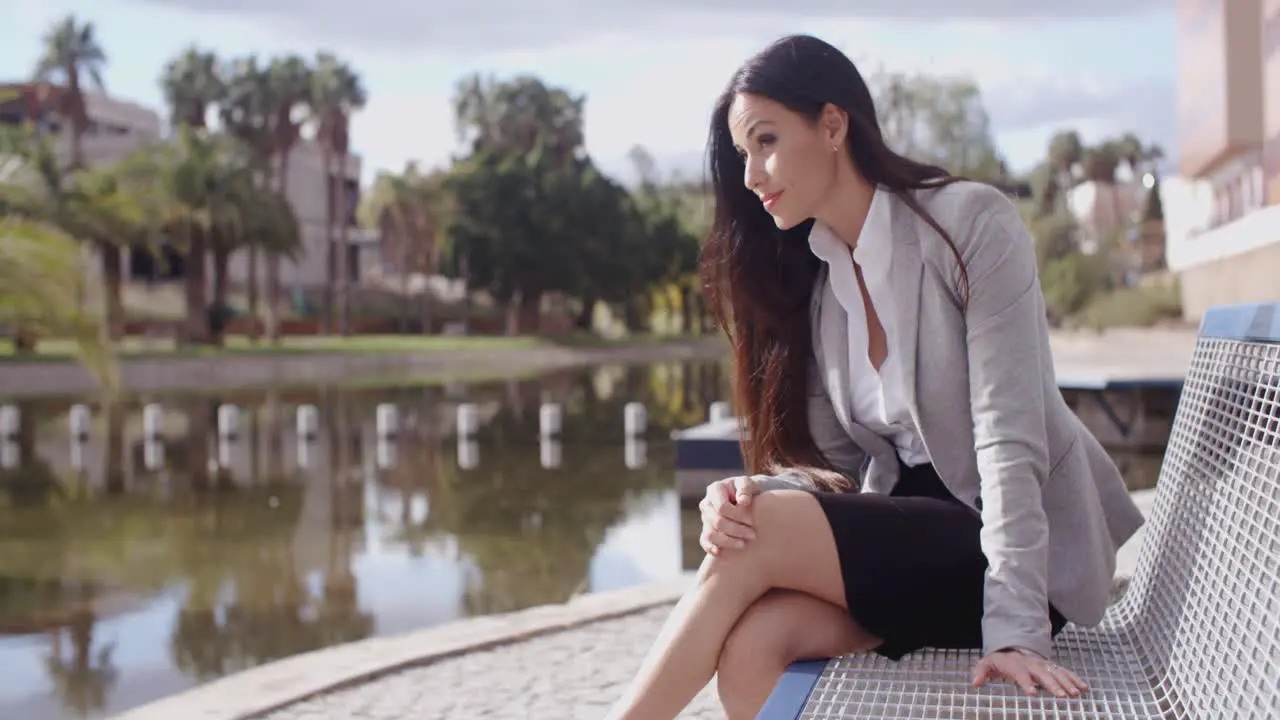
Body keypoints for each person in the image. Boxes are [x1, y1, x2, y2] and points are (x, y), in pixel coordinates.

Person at [605, 33, 1146, 720]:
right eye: (743, 154)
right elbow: (835, 467)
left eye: (765, 141)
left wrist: (1015, 630)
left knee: (762, 534)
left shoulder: (970, 223)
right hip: (915, 543)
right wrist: (746, 491)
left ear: (832, 125)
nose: (750, 175)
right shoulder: (827, 285)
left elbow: (1011, 440)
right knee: (753, 648)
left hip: (1012, 553)